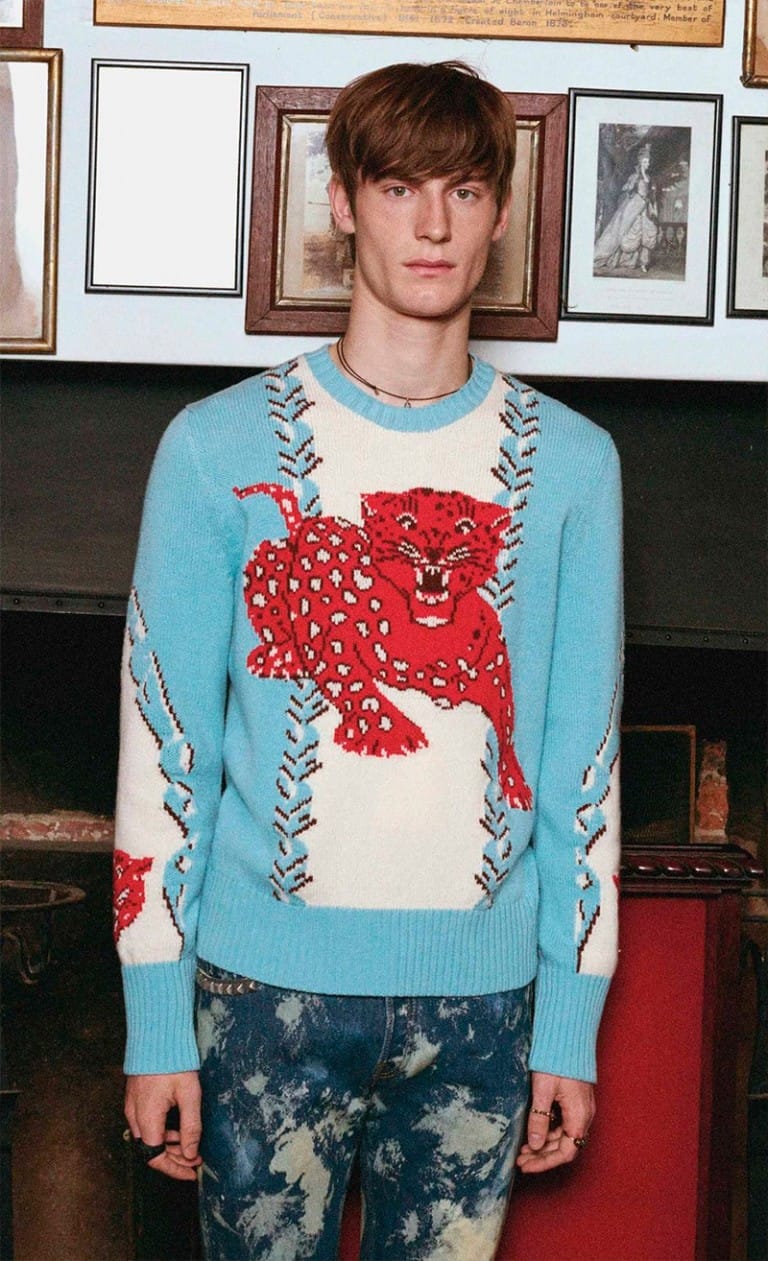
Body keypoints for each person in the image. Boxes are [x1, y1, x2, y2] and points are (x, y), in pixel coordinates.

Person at [115, 61, 623, 1261]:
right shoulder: (214, 448)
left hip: (485, 1011)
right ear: (342, 202)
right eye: (399, 187)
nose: (432, 224)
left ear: (502, 214)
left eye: (463, 190)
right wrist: (155, 1020)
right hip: (260, 1000)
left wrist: (571, 1019)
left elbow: (583, 764)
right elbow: (161, 742)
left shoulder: (573, 466)